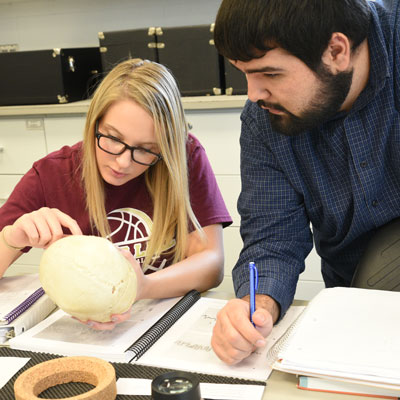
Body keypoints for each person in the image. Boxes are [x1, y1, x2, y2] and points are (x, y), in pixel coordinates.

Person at [211, 0, 400, 364]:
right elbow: (274, 238)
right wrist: (257, 308)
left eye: (271, 74)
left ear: (337, 51)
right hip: (355, 311)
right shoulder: (262, 121)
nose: (253, 94)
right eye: (243, 72)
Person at [0, 58, 232, 329]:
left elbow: (211, 264)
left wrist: (142, 287)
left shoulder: (182, 157)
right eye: (112, 138)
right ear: (93, 124)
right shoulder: (52, 173)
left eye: (146, 149)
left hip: (160, 321)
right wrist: (11, 239)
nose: (123, 162)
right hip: (78, 330)